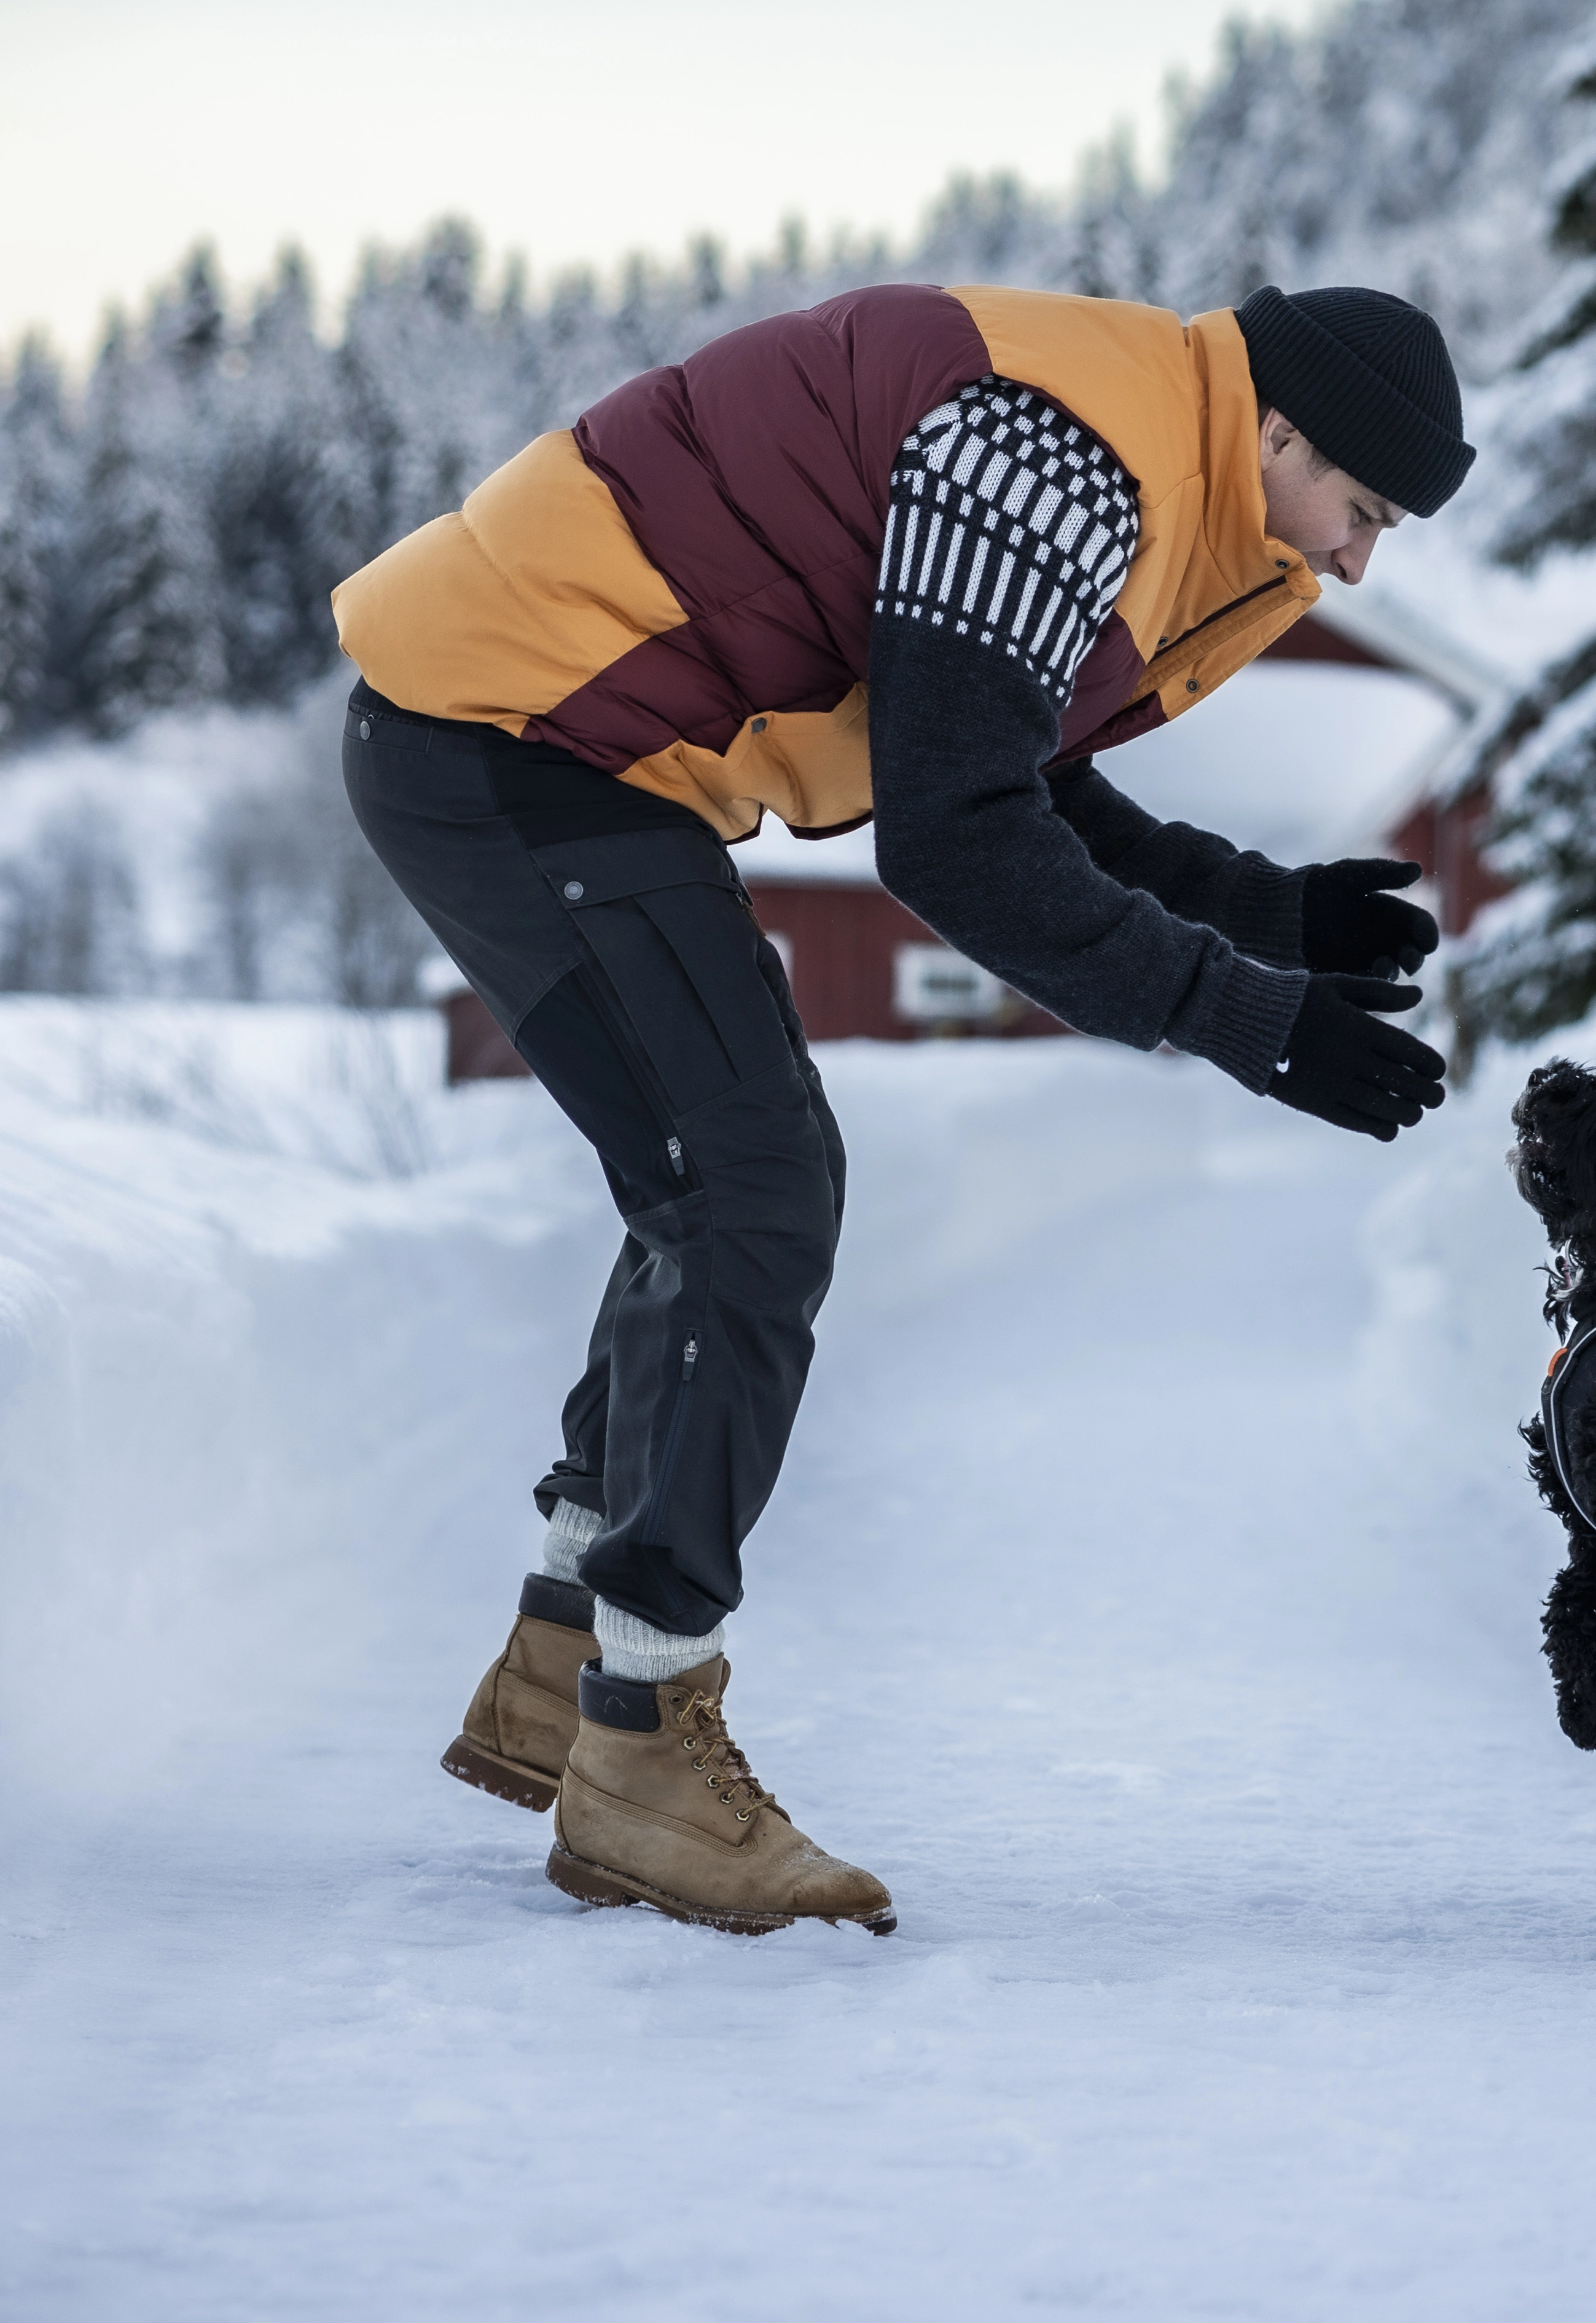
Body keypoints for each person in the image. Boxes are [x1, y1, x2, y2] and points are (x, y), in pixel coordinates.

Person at [335, 280, 1473, 1937]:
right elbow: (953, 842)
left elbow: (1014, 768)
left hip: (523, 737)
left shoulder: (1133, 435)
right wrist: (1251, 1022)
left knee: (705, 1179)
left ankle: (564, 1664)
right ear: (1281, 431)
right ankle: (644, 1745)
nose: (1359, 561)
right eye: (1361, 512)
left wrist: (1269, 916)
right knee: (754, 1183)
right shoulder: (1067, 451)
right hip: (521, 736)